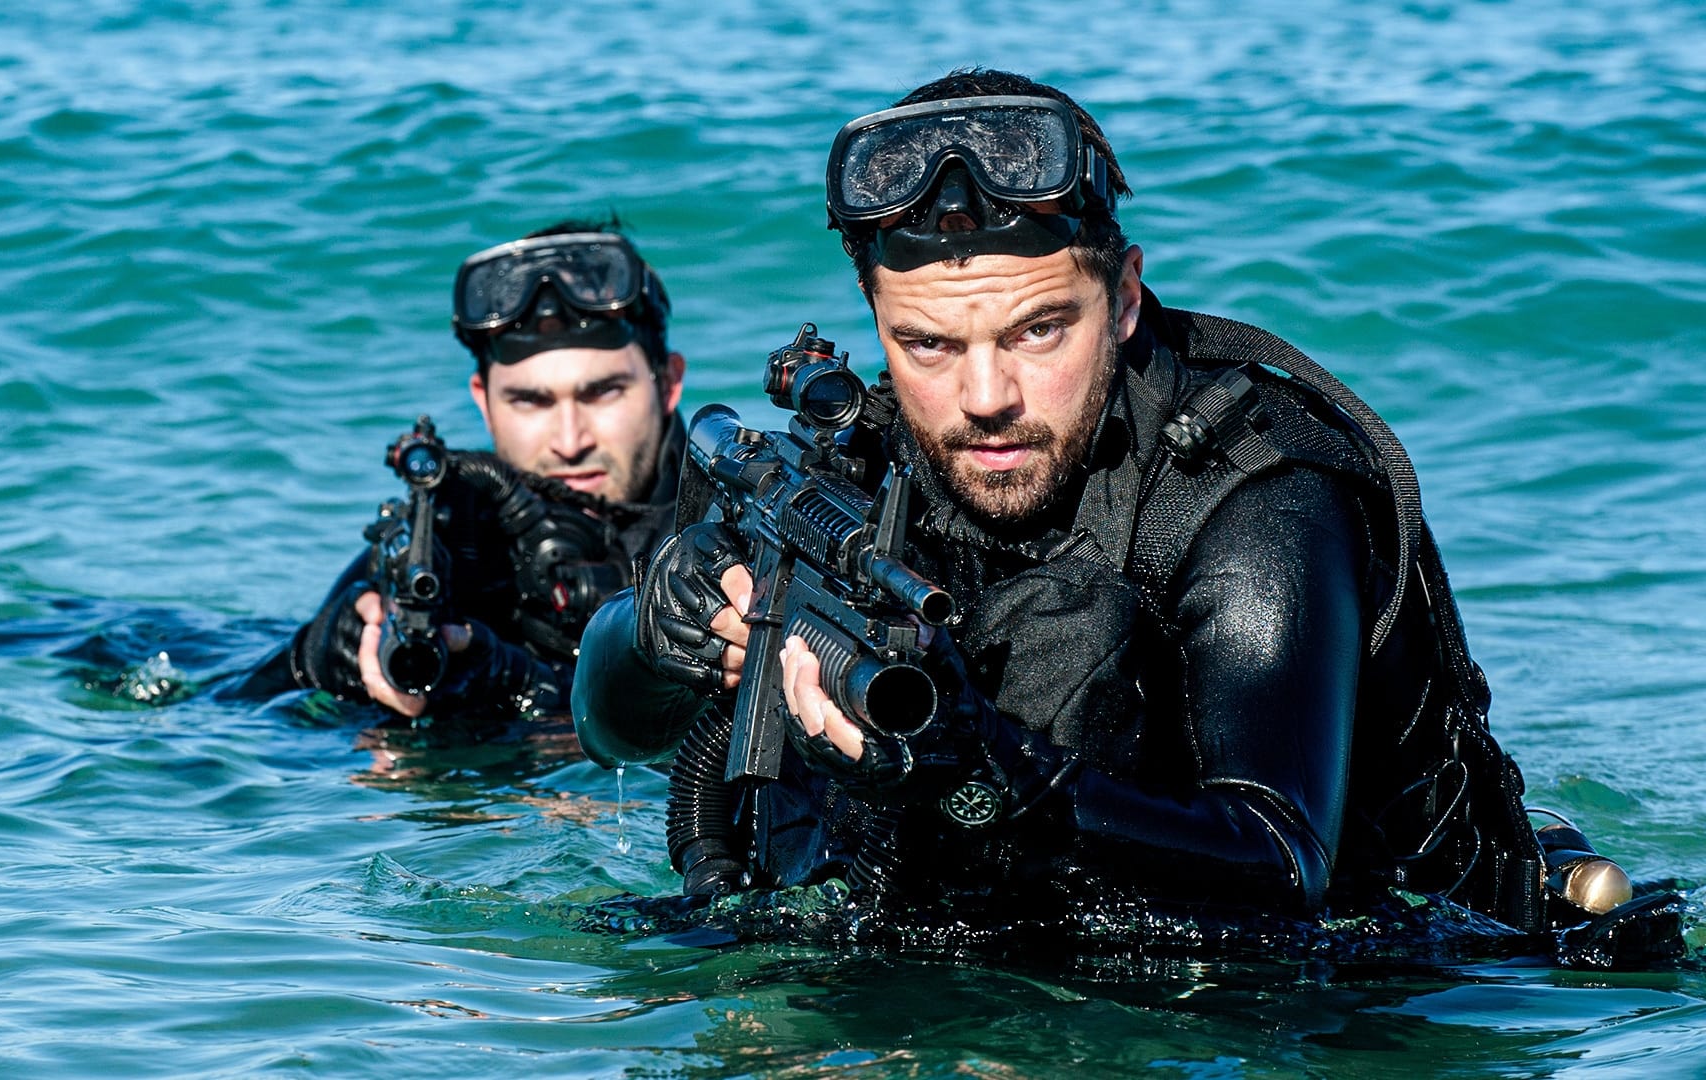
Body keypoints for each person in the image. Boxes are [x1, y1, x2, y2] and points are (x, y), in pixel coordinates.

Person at [572, 71, 1666, 941]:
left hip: (1397, 972)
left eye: (1039, 331)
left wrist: (1000, 778)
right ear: (876, 319)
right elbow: (612, 729)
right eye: (928, 345)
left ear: (1126, 296)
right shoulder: (849, 464)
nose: (985, 397)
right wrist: (651, 630)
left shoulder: (1260, 488)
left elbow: (1284, 860)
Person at [245, 221, 687, 738]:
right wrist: (313, 662)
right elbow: (225, 719)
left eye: (602, 393)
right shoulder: (446, 544)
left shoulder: (725, 537)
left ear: (668, 383)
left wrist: (521, 685)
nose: (570, 441)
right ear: (484, 400)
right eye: (530, 401)